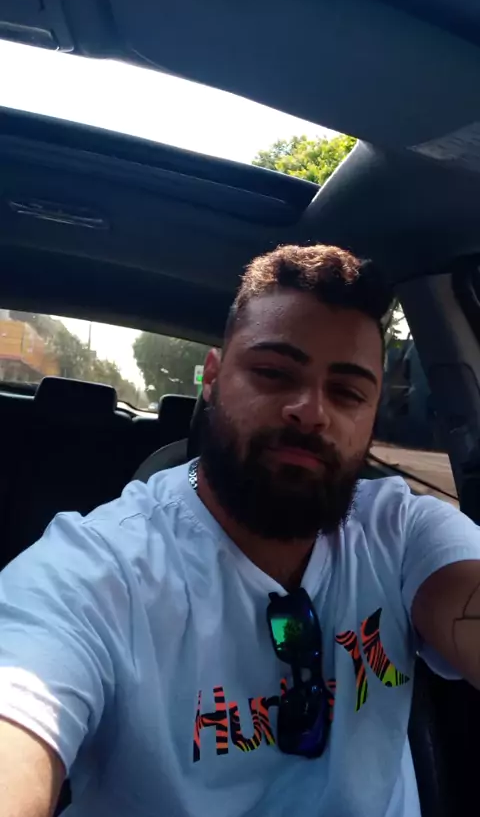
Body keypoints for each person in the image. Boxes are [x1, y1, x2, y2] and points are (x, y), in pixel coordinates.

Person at [1, 244, 480, 817]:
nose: (311, 411)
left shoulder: (403, 532)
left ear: (373, 415)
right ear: (212, 379)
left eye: (348, 392)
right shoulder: (100, 569)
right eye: (274, 373)